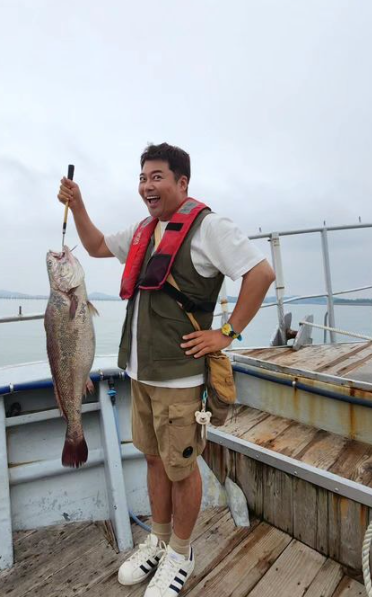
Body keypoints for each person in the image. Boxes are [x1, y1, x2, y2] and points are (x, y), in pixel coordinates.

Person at [57, 143, 275, 597]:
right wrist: (77, 205)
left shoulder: (209, 227)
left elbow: (260, 274)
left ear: (182, 182)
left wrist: (227, 333)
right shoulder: (143, 230)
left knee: (182, 469)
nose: (147, 187)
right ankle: (157, 539)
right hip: (140, 374)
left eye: (157, 177)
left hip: (180, 378)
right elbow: (95, 245)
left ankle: (180, 552)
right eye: (142, 178)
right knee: (154, 459)